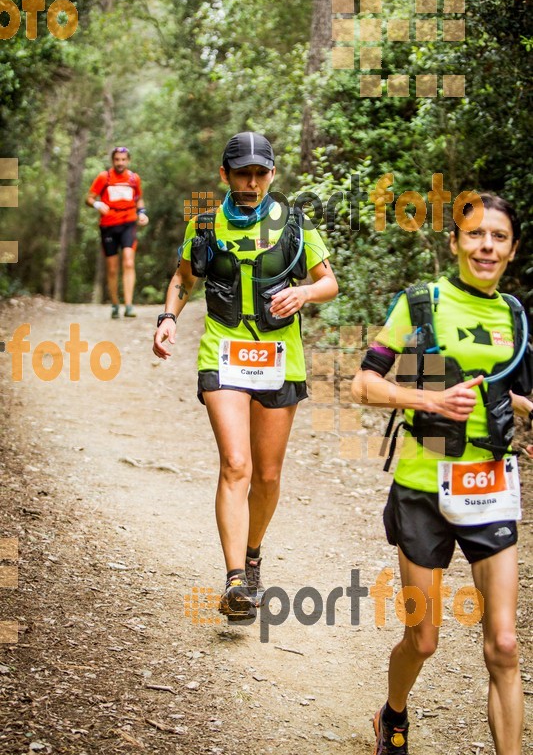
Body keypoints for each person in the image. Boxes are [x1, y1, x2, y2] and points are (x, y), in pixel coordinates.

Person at [351, 193, 533, 755]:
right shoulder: (421, 304)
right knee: (423, 639)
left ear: (512, 249)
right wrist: (425, 400)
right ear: (454, 242)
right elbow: (363, 384)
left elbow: (521, 393)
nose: (486, 246)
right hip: (423, 488)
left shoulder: (516, 317)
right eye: (475, 235)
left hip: (490, 486)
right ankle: (394, 713)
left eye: (498, 237)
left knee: (503, 643)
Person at [153, 132, 338, 620]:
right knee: (237, 464)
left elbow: (329, 282)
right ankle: (236, 578)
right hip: (224, 351)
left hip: (281, 355)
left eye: (260, 173)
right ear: (225, 176)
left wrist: (304, 295)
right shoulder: (205, 226)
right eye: (242, 174)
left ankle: (253, 553)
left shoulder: (296, 224)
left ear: (273, 174)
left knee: (268, 474)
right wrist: (168, 318)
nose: (252, 182)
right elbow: (182, 279)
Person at [86, 146, 149, 318]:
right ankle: (115, 304)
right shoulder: (103, 177)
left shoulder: (134, 178)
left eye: (123, 159)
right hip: (108, 225)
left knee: (129, 262)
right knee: (112, 268)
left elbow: (139, 199)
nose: (120, 163)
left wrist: (142, 213)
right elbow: (89, 198)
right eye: (117, 159)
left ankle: (129, 305)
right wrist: (98, 204)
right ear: (112, 161)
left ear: (128, 160)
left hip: (128, 223)